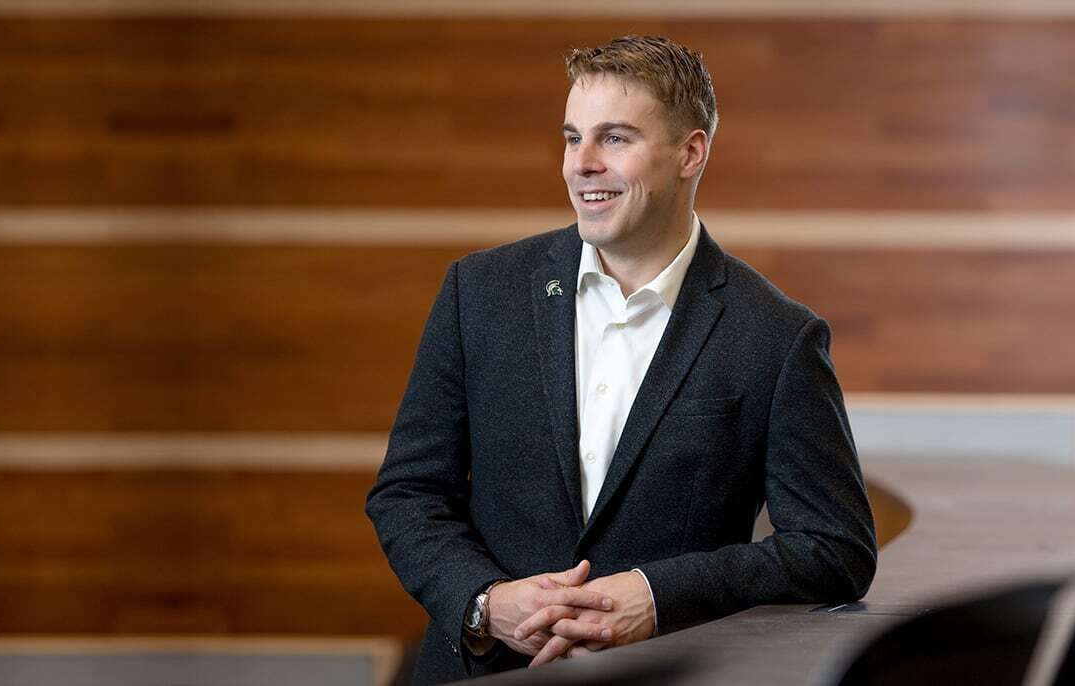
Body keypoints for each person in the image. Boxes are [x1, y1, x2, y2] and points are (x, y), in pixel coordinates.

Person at [365, 35, 877, 684]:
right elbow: (407, 492)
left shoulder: (777, 337)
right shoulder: (478, 294)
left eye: (614, 139)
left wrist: (656, 596)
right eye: (572, 137)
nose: (581, 163)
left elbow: (835, 549)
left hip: (667, 672)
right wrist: (487, 603)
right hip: (484, 671)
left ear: (690, 152)